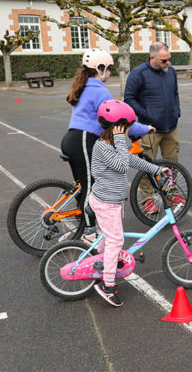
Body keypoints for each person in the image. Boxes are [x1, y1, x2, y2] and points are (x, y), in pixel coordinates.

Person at [61, 49, 153, 243]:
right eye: (109, 69)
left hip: (72, 139)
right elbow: (118, 120)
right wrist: (145, 128)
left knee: (82, 185)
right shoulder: (99, 90)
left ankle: (82, 225)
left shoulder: (84, 85)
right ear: (99, 68)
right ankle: (89, 233)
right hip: (84, 141)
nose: (110, 73)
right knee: (90, 187)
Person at [89, 100, 166, 307]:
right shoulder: (103, 147)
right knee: (116, 240)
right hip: (106, 202)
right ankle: (107, 284)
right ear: (117, 128)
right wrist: (121, 140)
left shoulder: (113, 145)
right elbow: (122, 164)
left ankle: (100, 262)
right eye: (127, 129)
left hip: (112, 201)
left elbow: (132, 161)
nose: (130, 133)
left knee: (108, 236)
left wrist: (156, 169)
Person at [124, 42, 183, 212]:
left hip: (171, 126)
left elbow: (175, 94)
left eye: (169, 59)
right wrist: (147, 115)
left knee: (172, 164)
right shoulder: (138, 73)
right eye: (164, 61)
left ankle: (171, 192)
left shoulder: (170, 72)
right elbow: (129, 99)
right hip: (149, 129)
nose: (168, 63)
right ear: (152, 58)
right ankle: (148, 199)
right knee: (147, 166)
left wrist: (176, 111)